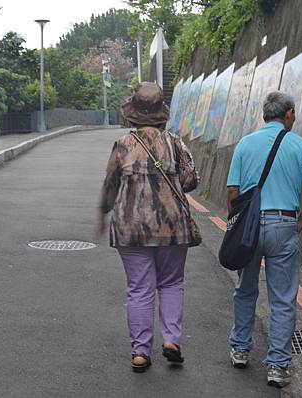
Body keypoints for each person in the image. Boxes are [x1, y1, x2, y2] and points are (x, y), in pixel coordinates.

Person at [98, 82, 199, 373]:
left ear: (133, 114)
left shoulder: (122, 145)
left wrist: (104, 211)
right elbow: (190, 181)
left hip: (130, 229)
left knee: (139, 288)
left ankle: (140, 353)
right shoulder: (175, 143)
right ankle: (172, 341)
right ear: (161, 113)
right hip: (172, 227)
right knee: (170, 283)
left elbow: (110, 185)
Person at [226, 91, 302, 387]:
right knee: (282, 298)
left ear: (264, 115)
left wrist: (237, 223)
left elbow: (232, 190)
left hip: (250, 226)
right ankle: (277, 366)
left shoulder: (245, 143)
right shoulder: (301, 146)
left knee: (245, 288)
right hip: (284, 224)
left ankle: (240, 349)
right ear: (289, 114)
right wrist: (301, 221)